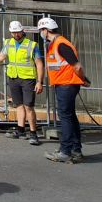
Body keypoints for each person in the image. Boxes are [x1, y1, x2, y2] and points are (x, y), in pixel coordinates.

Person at [0, 20, 44, 145]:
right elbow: (0, 57)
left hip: (28, 79)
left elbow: (39, 64)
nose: (16, 35)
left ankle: (33, 134)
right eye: (13, 33)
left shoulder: (32, 45)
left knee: (28, 106)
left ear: (22, 31)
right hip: (13, 78)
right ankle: (20, 130)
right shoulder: (8, 43)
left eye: (18, 32)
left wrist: (39, 82)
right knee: (19, 105)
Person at [37, 16, 91, 164]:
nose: (41, 33)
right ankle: (75, 150)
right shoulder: (56, 44)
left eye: (41, 30)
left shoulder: (61, 44)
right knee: (70, 117)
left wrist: (83, 79)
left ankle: (65, 151)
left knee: (66, 117)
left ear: (46, 30)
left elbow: (77, 66)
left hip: (66, 85)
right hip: (64, 84)